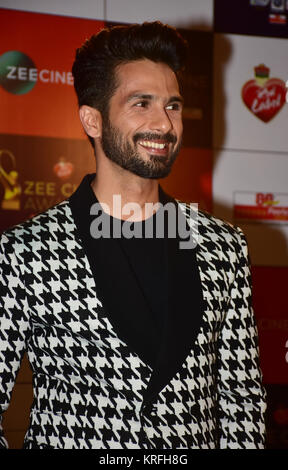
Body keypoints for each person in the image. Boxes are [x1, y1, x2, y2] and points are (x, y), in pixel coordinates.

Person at [0, 21, 266, 449]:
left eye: (173, 105)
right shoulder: (25, 253)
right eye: (141, 104)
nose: (164, 123)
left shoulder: (223, 246)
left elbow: (240, 399)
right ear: (93, 119)